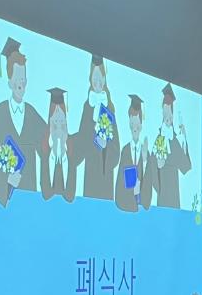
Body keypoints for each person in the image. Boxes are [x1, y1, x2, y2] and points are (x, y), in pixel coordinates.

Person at [0, 37, 45, 207]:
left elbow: (48, 144)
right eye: (17, 78)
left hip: (29, 199)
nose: (21, 83)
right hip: (7, 201)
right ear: (9, 81)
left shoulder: (32, 113)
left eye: (23, 78)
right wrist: (7, 178)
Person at [73, 55, 120, 200]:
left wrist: (105, 146)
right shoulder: (87, 106)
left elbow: (116, 149)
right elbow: (81, 140)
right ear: (90, 79)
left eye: (100, 78)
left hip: (106, 175)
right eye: (95, 78)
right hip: (91, 172)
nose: (97, 82)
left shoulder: (109, 108)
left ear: (104, 79)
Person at [150, 83, 192, 208]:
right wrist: (158, 166)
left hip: (174, 193)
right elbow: (152, 166)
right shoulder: (159, 139)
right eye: (165, 113)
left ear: (173, 116)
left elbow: (186, 166)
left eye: (169, 113)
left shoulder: (174, 141)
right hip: (162, 193)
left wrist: (184, 140)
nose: (167, 117)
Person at [114, 94, 152, 212]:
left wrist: (144, 160)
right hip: (127, 205)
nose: (134, 128)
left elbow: (149, 182)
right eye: (132, 123)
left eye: (137, 124)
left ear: (141, 125)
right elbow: (120, 183)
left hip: (141, 209)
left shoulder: (145, 152)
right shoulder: (125, 151)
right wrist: (132, 190)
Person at [39, 87, 77, 202]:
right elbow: (46, 194)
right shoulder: (45, 152)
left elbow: (70, 196)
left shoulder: (71, 152)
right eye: (55, 123)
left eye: (62, 123)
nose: (59, 129)